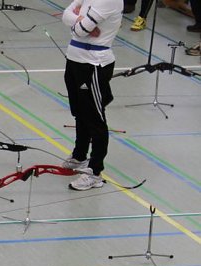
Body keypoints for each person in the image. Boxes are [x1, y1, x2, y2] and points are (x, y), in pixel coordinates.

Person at [60, 0, 123, 191]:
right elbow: (65, 15)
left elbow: (80, 31)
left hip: (94, 64)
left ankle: (95, 172)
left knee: (95, 118)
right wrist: (79, 20)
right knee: (80, 112)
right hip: (74, 59)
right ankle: (79, 156)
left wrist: (78, 21)